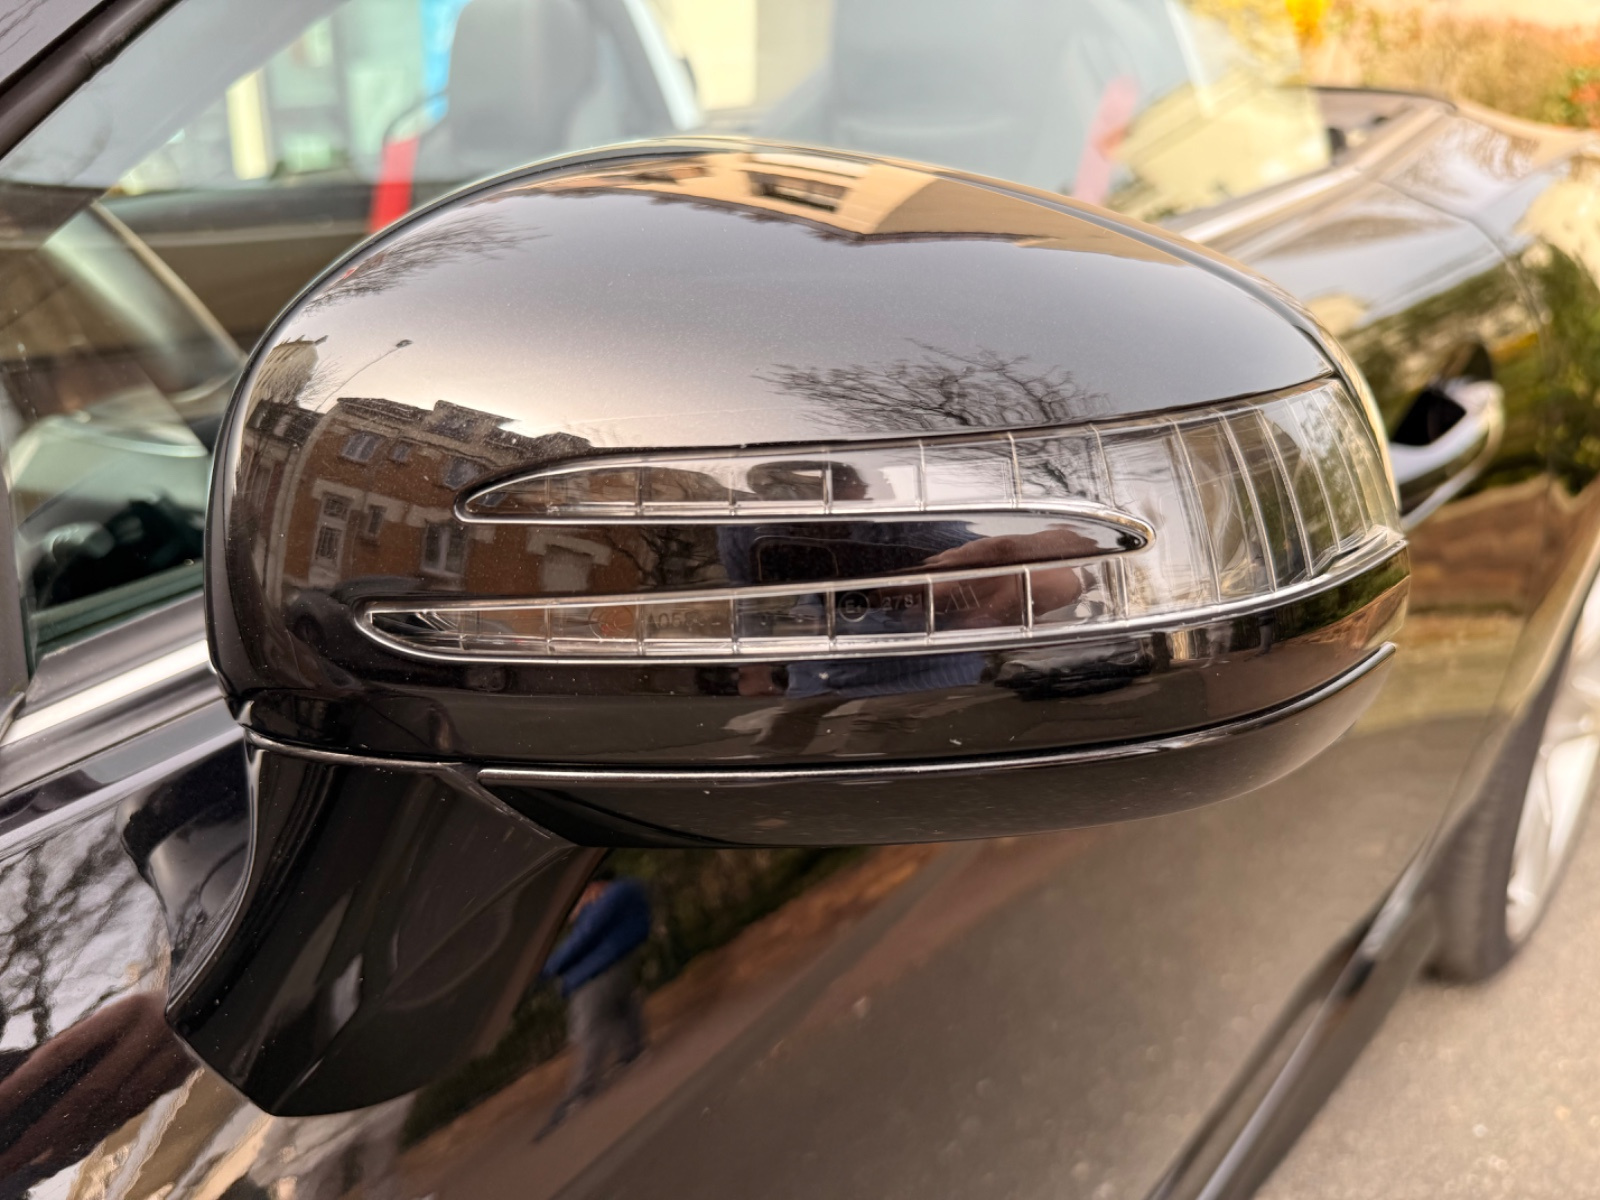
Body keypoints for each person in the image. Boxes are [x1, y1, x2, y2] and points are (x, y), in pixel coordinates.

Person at [536, 867, 652, 1137]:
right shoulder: (618, 897)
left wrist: (546, 969)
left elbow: (582, 938)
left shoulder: (613, 895)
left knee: (591, 1029)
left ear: (594, 886)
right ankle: (632, 1053)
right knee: (622, 1010)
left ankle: (582, 1090)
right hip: (609, 965)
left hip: (596, 973)